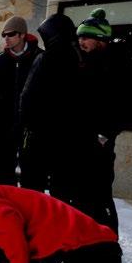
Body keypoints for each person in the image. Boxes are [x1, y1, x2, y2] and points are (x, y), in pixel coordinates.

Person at [19, 13, 93, 208]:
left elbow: (27, 98)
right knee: (62, 193)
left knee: (32, 192)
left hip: (40, 137)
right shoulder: (82, 59)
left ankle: (38, 232)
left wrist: (26, 126)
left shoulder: (46, 59)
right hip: (70, 139)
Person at [76, 8, 132, 233]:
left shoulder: (120, 66)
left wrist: (105, 134)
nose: (81, 41)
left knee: (100, 193)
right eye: (79, 37)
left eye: (85, 37)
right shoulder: (84, 63)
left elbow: (125, 107)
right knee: (82, 194)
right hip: (81, 139)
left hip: (100, 142)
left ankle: (109, 238)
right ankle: (87, 237)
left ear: (100, 39)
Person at [0, 16, 42, 186]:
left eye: (11, 34)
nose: (6, 38)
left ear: (23, 34)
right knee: (3, 177)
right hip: (3, 128)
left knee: (32, 179)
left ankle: (29, 210)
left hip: (30, 130)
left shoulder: (39, 59)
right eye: (4, 35)